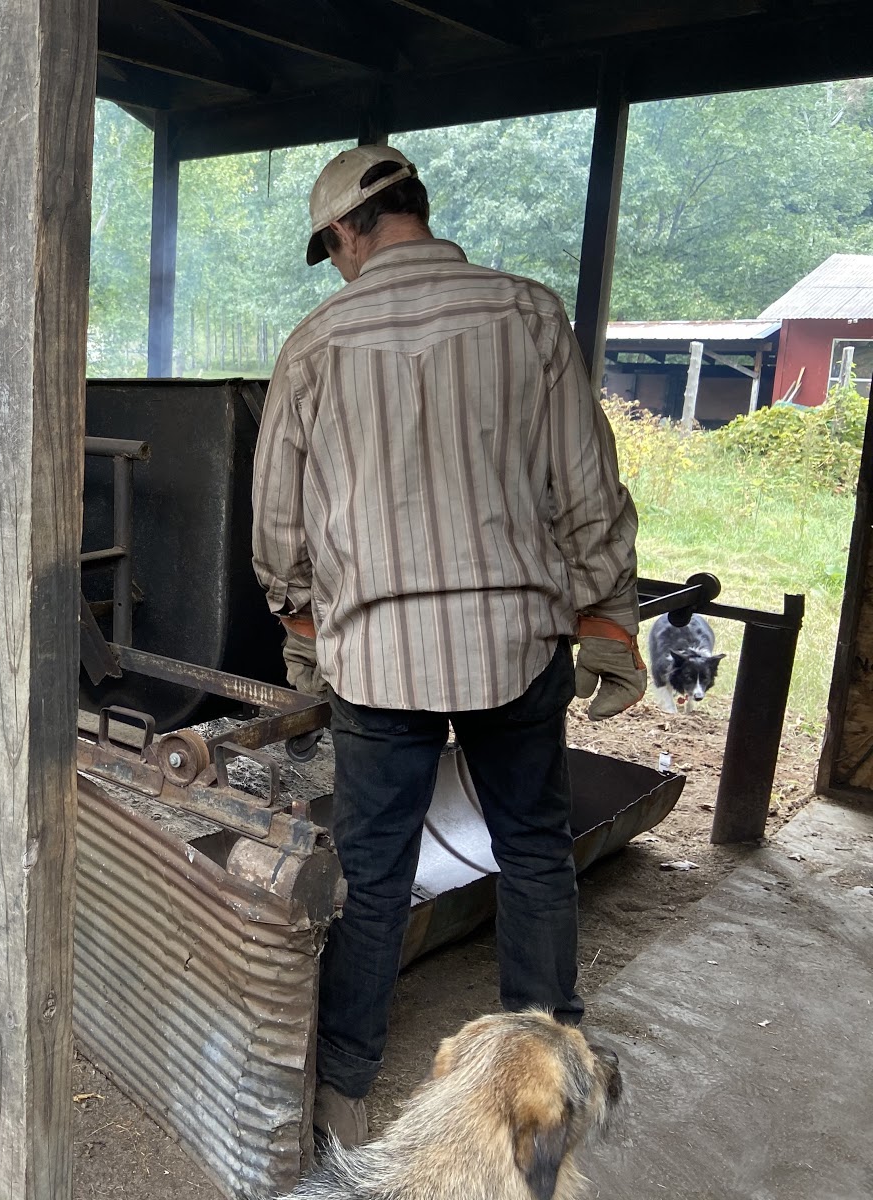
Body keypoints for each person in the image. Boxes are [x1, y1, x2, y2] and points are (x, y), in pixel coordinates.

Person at [251, 145, 643, 1145]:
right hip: (516, 641)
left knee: (372, 875)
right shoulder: (527, 314)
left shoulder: (315, 342)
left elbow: (279, 528)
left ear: (345, 230)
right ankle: (548, 1086)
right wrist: (603, 616)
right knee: (533, 854)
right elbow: (582, 486)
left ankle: (341, 1092)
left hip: (379, 659)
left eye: (328, 248)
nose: (334, 264)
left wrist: (301, 625)